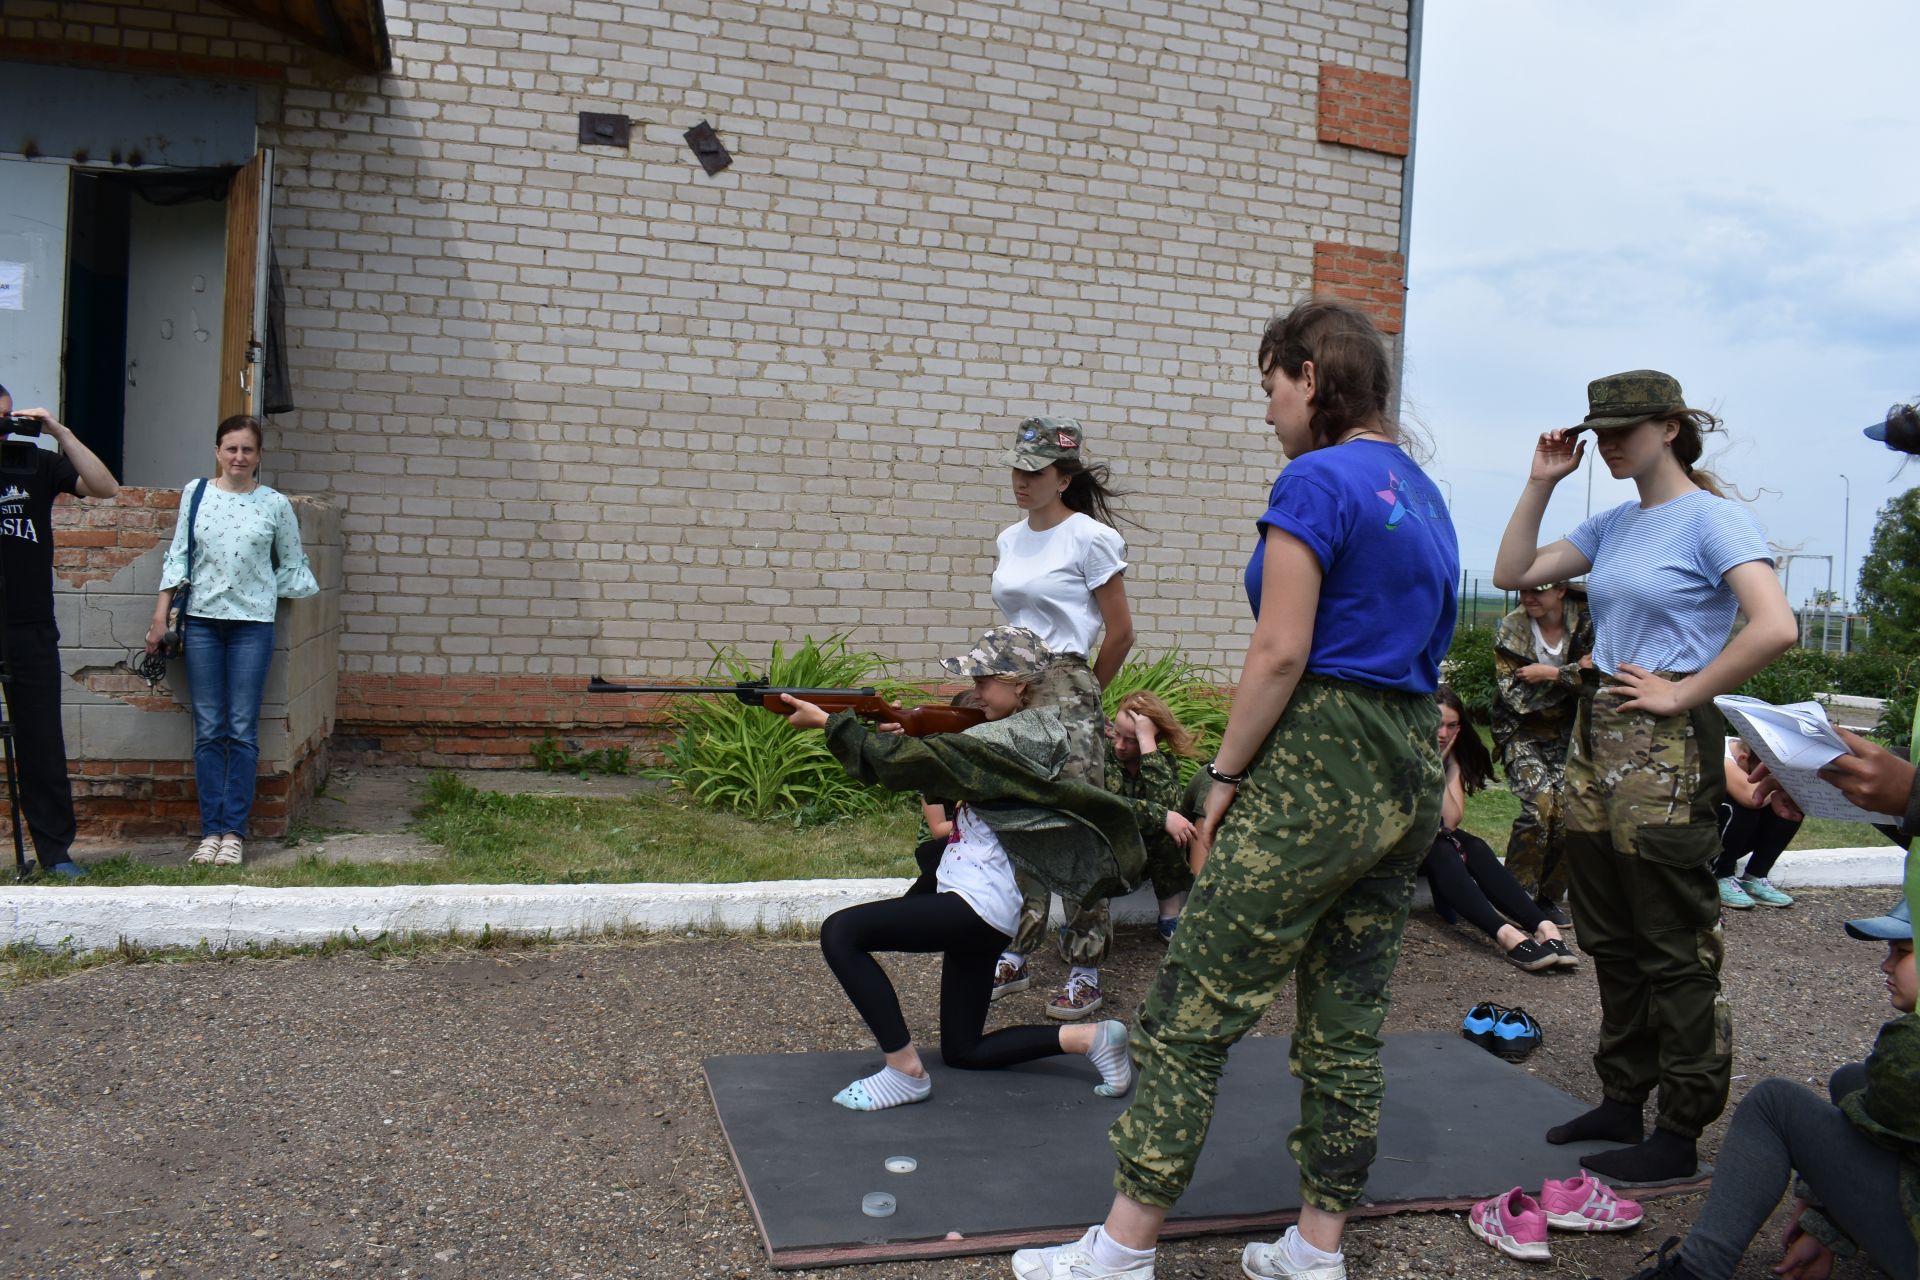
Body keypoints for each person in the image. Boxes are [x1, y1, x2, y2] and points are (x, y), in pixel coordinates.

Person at [1012, 299, 1458, 1280]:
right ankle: (1315, 1246)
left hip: (1323, 763)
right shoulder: (1423, 492)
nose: (1267, 412)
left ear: (1310, 376)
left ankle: (1123, 1250)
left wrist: (1218, 779)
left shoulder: (1315, 477)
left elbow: (1282, 647)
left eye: (1269, 388)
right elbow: (1424, 650)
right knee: (1346, 1016)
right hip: (1405, 767)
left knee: (1192, 1002)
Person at [1493, 369, 1798, 1186]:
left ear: (1671, 427)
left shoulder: (1714, 518)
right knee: (1615, 937)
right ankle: (1623, 1099)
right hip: (1598, 743)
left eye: (1626, 427)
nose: (1610, 442)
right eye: (1601, 430)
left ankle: (1681, 1131)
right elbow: (1510, 572)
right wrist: (1539, 483)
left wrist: (1689, 689)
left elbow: (1776, 625)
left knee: (1674, 943)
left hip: (1666, 748)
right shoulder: (1616, 522)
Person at [778, 625, 1145, 1110]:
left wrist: (831, 725)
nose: (975, 692)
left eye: (984, 681)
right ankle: (1093, 1038)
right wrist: (909, 739)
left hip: (976, 903)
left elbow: (918, 762)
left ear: (1019, 685)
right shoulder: (1028, 727)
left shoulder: (1015, 735)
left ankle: (904, 1071)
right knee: (965, 1050)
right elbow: (945, 771)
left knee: (842, 934)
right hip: (991, 906)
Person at [1602, 897, 1917, 1280]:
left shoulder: (1910, 1044)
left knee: (1773, 1104)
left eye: (1902, 952)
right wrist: (1827, 1222)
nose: (1885, 965)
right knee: (1852, 1080)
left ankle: (1695, 1273)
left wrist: (1823, 1212)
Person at [988, 416, 1136, 1021]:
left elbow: (1121, 633)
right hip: (1015, 683)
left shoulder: (1090, 539)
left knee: (1076, 827)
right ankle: (1016, 952)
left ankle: (1084, 970)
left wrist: (1086, 697)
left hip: (1070, 683)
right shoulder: (1008, 538)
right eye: (1017, 469)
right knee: (1021, 816)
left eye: (1036, 472)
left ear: (1064, 476)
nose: (1022, 481)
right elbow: (1008, 625)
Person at [145, 415, 317, 868]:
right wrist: (159, 618)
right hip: (200, 624)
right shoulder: (195, 494)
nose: (239, 457)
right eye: (231, 448)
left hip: (251, 629)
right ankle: (210, 832)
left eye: (248, 450)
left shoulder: (274, 504)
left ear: (259, 456)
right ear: (217, 451)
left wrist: (256, 591)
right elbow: (178, 556)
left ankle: (233, 833)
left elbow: (294, 565)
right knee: (208, 730)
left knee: (240, 729)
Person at [0, 389, 120, 879]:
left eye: (6, 416)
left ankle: (55, 853)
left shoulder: (35, 463)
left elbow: (105, 487)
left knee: (41, 743)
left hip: (28, 626)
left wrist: (60, 432)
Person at [1427, 686, 1576, 973]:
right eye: (1436, 724)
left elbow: (1451, 819)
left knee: (1476, 847)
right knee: (1442, 849)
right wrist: (1431, 759)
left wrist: (1443, 760)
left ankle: (1543, 927)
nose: (1443, 733)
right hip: (1400, 844)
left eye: (1451, 726)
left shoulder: (1451, 756)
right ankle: (1506, 934)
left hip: (1435, 836)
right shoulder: (1403, 751)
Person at [1491, 580, 1592, 925]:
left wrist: (1549, 673)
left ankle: (1548, 897)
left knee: (1569, 812)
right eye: (1524, 591)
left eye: (1539, 591)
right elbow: (1515, 696)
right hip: (1522, 732)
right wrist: (1575, 677)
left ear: (1561, 590)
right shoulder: (1512, 628)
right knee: (1539, 804)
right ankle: (1517, 896)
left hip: (1569, 733)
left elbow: (1603, 676)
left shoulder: (1589, 621)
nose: (1529, 598)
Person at [1104, 689, 1204, 943]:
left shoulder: (1160, 762)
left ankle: (1169, 917)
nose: (1119, 745)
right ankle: (1087, 921)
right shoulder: (1102, 756)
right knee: (1165, 821)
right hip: (1109, 847)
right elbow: (1107, 807)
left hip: (1146, 852)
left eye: (1132, 739)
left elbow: (1168, 805)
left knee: (1174, 831)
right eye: (1117, 733)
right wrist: (1161, 817)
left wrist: (1147, 747)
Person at [1715, 737, 1799, 910]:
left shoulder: (1744, 754)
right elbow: (1751, 798)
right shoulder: (1721, 752)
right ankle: (1720, 875)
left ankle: (1755, 877)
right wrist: (1782, 787)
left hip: (1732, 836)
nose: (1765, 781)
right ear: (1743, 759)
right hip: (1702, 841)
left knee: (1791, 806)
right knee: (1748, 802)